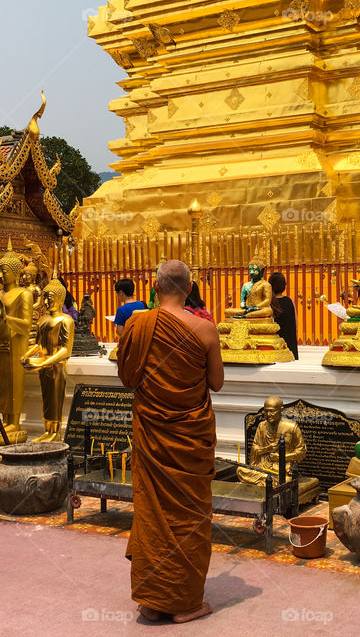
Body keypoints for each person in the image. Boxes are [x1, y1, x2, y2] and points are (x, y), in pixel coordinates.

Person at [116, 259, 223, 624]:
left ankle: (155, 599)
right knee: (189, 515)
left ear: (155, 286)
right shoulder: (206, 330)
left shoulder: (137, 325)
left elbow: (127, 377)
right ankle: (185, 602)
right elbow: (217, 382)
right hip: (189, 437)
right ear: (190, 289)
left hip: (153, 433)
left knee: (153, 513)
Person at [269, 272, 298, 359]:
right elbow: (296, 325)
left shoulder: (269, 303)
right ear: (284, 285)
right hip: (290, 345)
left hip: (276, 346)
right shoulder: (290, 301)